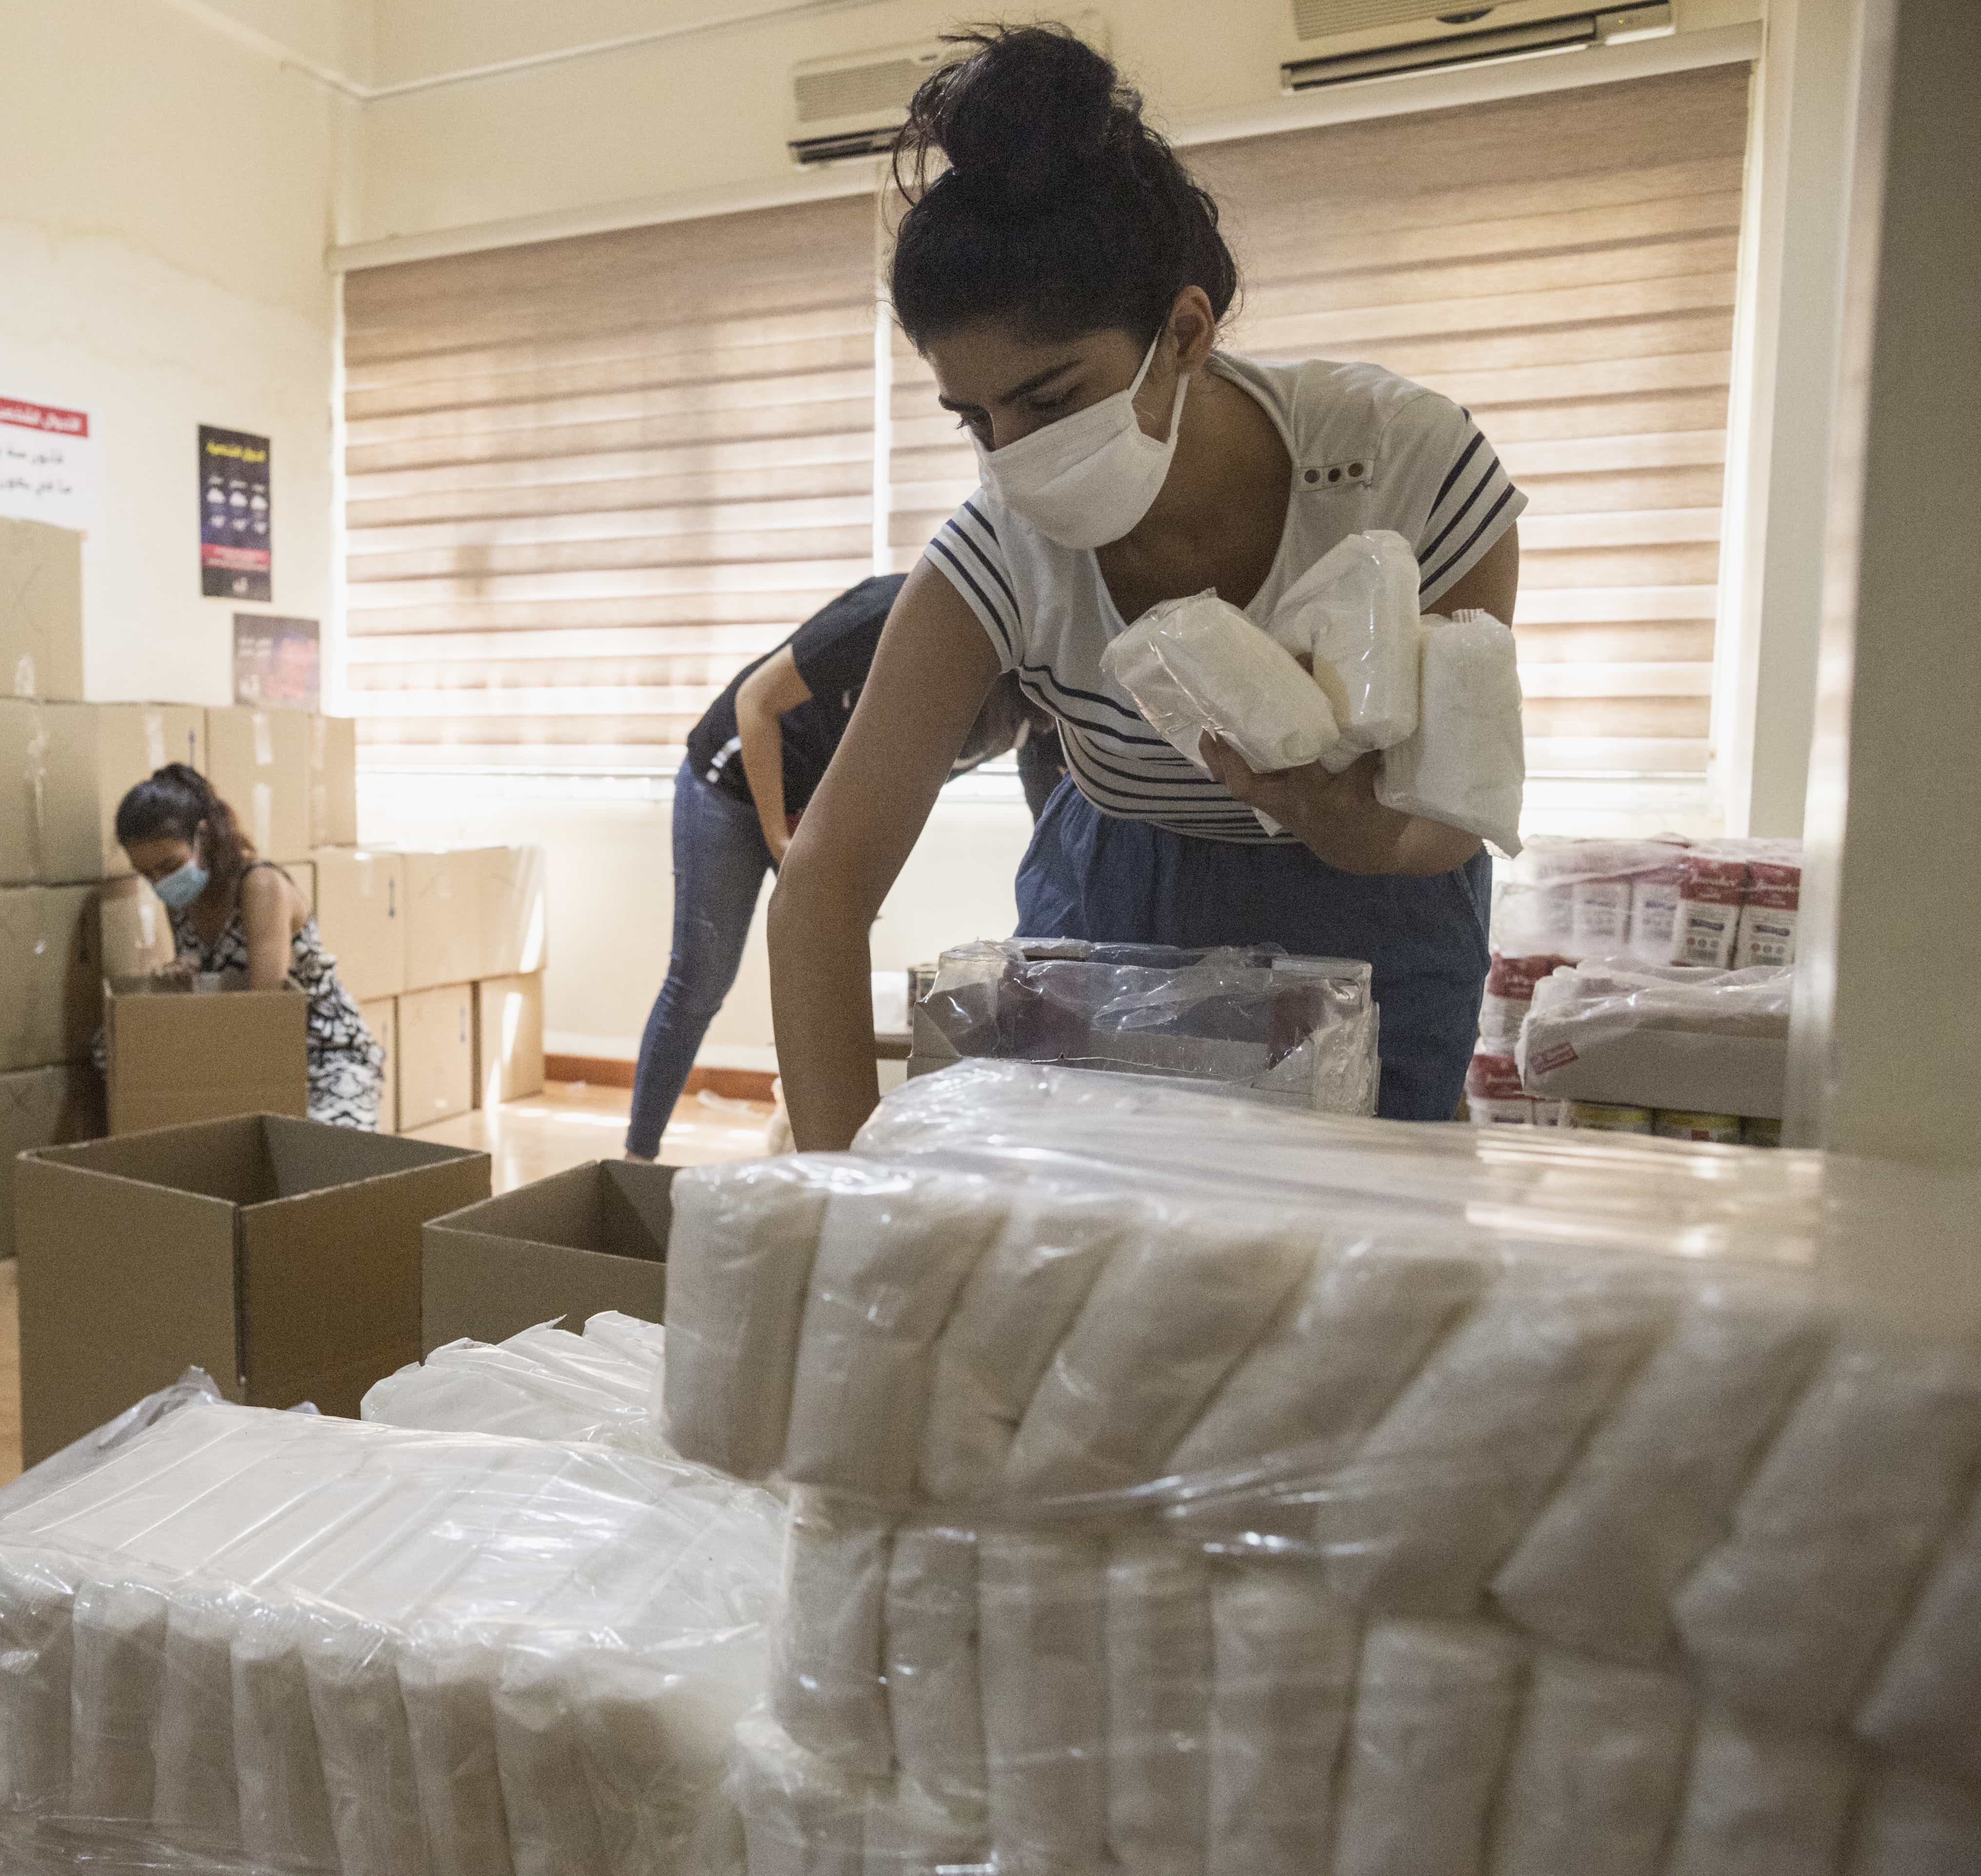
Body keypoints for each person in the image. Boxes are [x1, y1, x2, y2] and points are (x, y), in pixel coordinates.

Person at [770, 24, 1525, 1149]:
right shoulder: (998, 550)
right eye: (972, 418)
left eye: (1048, 398)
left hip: (1376, 906)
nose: (1009, 452)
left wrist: (1350, 831)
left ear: (1181, 330)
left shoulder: (1399, 464)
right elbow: (821, 886)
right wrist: (837, 1211)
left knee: (1340, 1266)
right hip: (1118, 887)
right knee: (1105, 1249)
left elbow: (1444, 819)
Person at [628, 576, 1029, 1160]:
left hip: (817, 806)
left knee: (831, 982)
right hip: (736, 781)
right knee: (700, 981)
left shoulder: (1029, 687)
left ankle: (809, 1157)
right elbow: (755, 703)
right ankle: (636, 1160)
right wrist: (780, 838)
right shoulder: (887, 615)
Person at [113, 763, 385, 1130]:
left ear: (203, 837)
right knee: (114, 1046)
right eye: (147, 874)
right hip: (239, 1047)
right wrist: (183, 975)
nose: (160, 883)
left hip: (320, 1055)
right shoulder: (179, 897)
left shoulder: (260, 887)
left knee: (311, 1154)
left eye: (168, 865)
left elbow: (265, 1010)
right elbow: (212, 978)